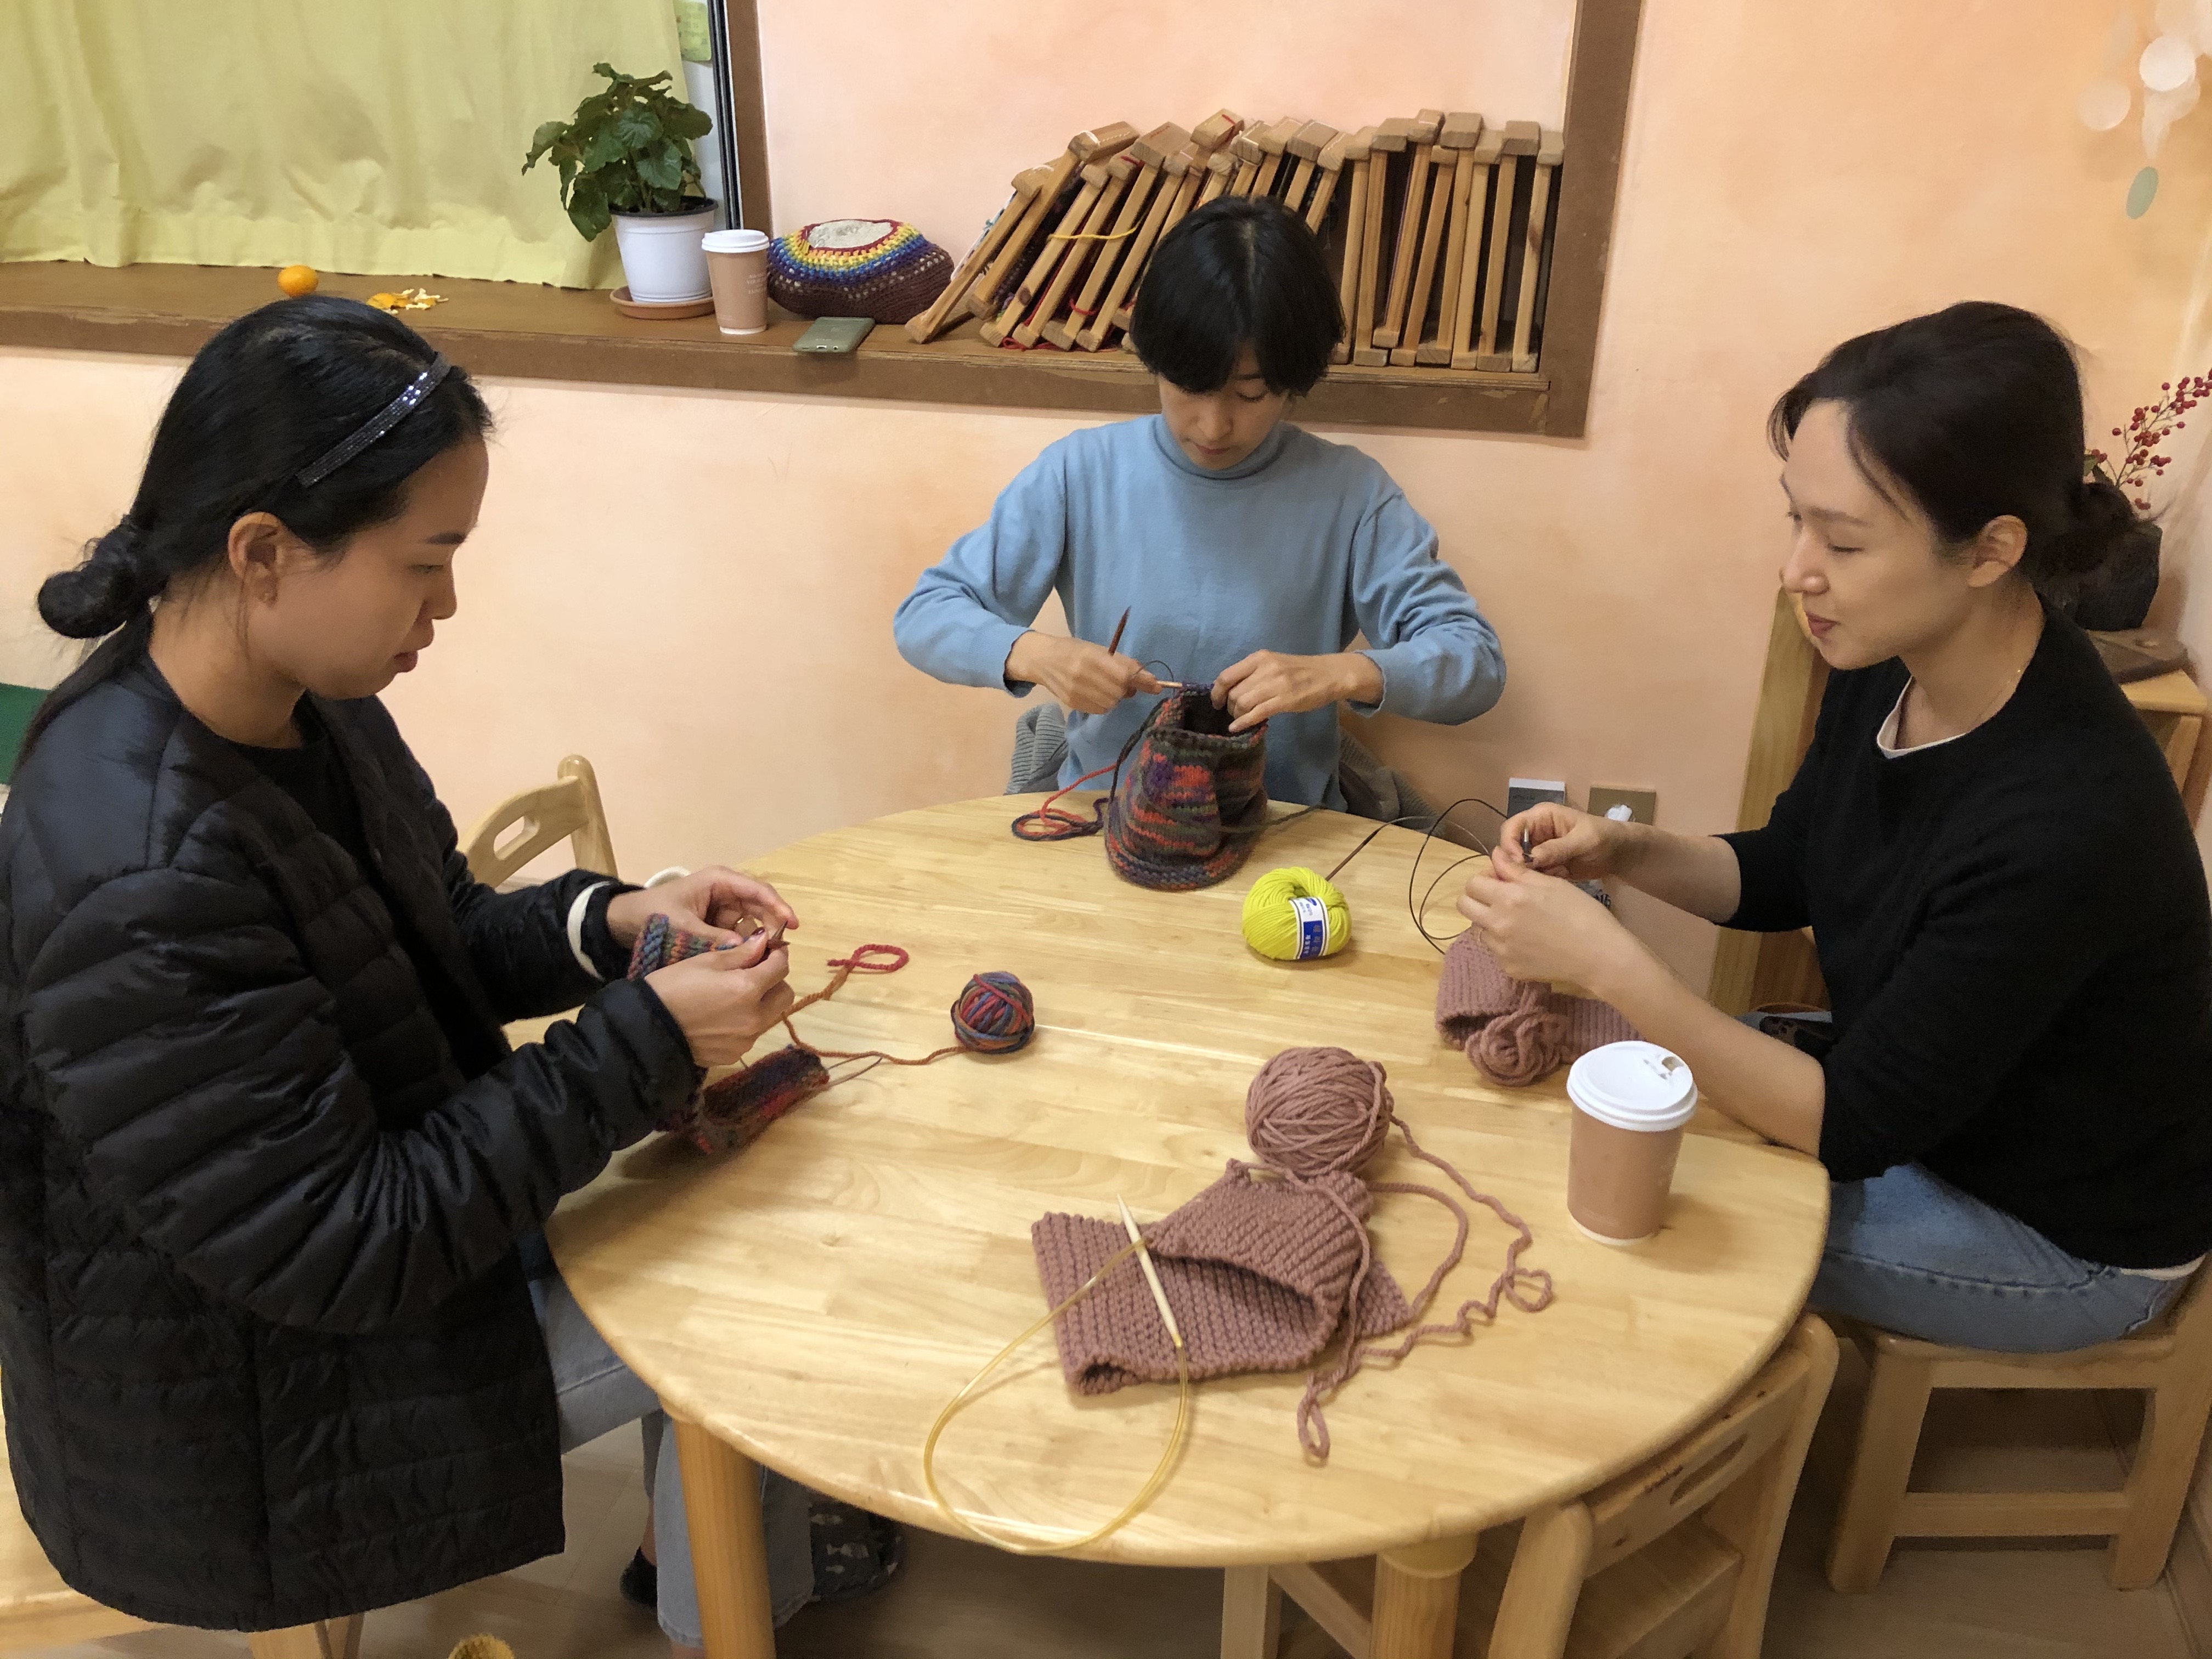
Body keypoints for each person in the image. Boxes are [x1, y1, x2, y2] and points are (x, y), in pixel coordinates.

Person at [0, 296, 879, 1654]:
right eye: (426, 563)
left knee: (754, 1187)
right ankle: (729, 1609)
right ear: (264, 552)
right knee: (747, 1299)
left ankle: (704, 1571)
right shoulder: (141, 874)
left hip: (357, 1269)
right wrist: (645, 1039)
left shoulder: (308, 702)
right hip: (261, 1416)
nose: (448, 606)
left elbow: (434, 928)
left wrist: (612, 923)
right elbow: (352, 1242)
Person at [1458, 301, 2212, 1353]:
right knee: (1580, 1114)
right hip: (1923, 1114)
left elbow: (1849, 1124)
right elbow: (1788, 869)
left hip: (2060, 1231)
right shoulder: (1894, 657)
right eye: (1796, 520)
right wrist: (1623, 849)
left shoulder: (2068, 815)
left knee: (1611, 1200)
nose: (1796, 571)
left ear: (1991, 549)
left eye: (1843, 541)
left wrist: (1611, 962)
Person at [893, 195, 1504, 815]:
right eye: (1190, 386)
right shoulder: (1079, 473)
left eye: (1251, 394)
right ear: (1157, 361)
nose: (1214, 426)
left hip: (1287, 829)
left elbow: (1475, 661)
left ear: (1294, 381)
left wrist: (1339, 675)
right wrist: (1037, 655)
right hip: (1109, 819)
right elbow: (926, 614)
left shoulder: (1352, 493)